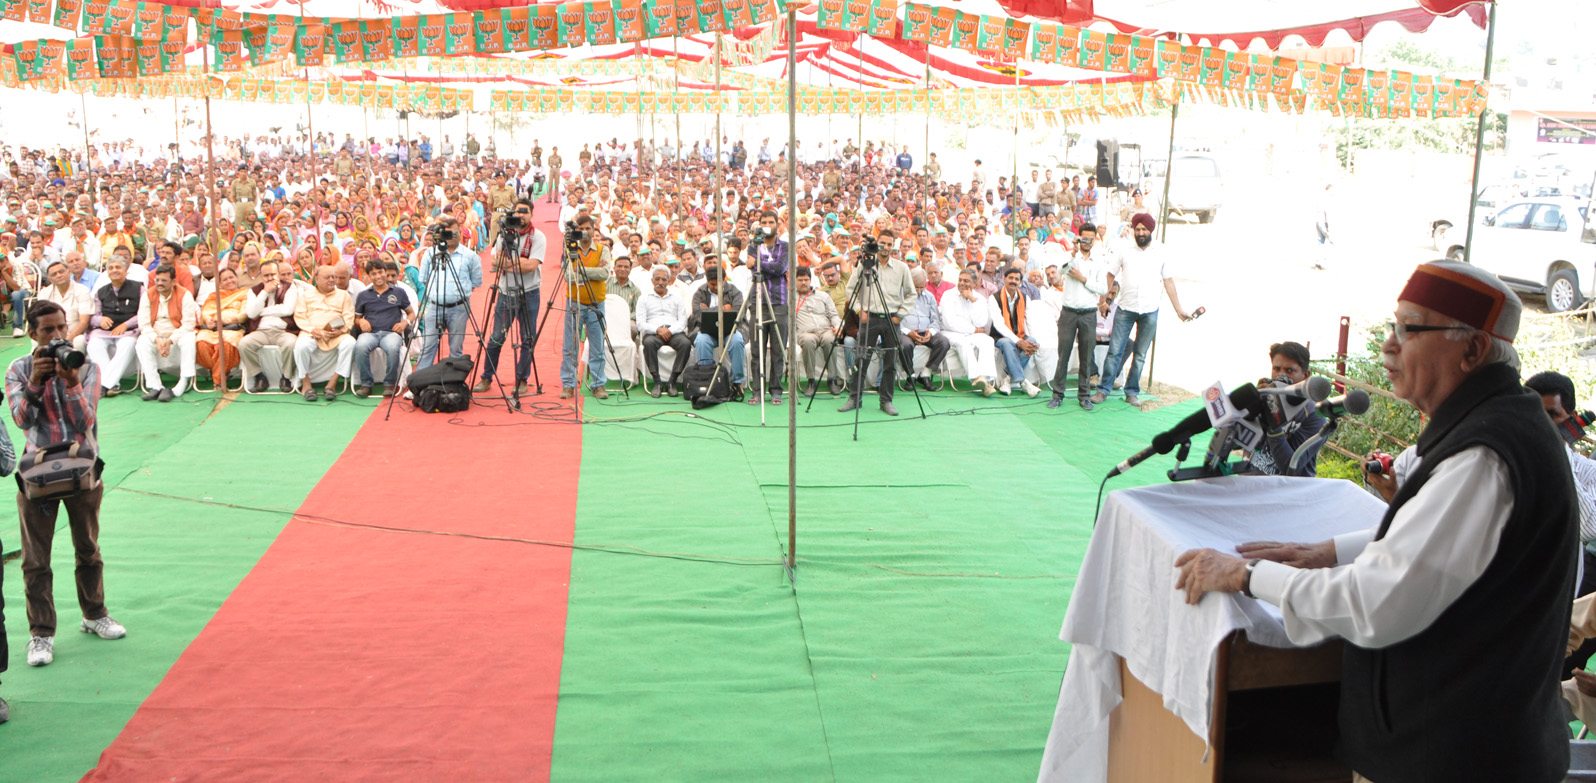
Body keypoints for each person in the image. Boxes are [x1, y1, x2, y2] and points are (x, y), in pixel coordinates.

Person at [1175, 260, 1574, 783]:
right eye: (1392, 327)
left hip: (1455, 757)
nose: (1389, 346)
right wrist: (1331, 551)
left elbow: (1372, 603)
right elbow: (1442, 540)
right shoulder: (1499, 424)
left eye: (1409, 330)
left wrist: (1246, 576)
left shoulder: (1485, 456)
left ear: (1473, 350)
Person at [6, 300, 125, 671]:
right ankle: (41, 633)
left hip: (82, 469)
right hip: (37, 472)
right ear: (32, 333)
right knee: (35, 559)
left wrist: (70, 382)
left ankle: (94, 614)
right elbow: (22, 420)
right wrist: (37, 382)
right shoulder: (18, 368)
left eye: (62, 328)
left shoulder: (85, 365)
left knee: (88, 547)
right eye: (48, 330)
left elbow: (86, 419)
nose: (58, 336)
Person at [1092, 213, 1194, 409]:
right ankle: (1103, 390)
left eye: (1144, 229)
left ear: (1150, 230)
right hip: (1125, 308)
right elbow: (1110, 275)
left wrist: (1179, 310)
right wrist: (1102, 302)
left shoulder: (1161, 251)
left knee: (1140, 354)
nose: (1140, 233)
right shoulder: (1123, 249)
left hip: (1150, 310)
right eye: (1137, 229)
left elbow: (1169, 281)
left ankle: (1131, 392)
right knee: (1115, 351)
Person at [475, 199, 543, 397]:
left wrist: (509, 263)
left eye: (525, 212)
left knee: (527, 338)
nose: (521, 215)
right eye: (518, 212)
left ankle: (522, 379)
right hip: (505, 292)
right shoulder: (503, 234)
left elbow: (532, 266)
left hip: (529, 293)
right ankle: (486, 377)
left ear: (531, 214)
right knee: (497, 337)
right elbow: (495, 261)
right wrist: (519, 261)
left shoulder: (538, 237)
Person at [840, 247, 914, 416]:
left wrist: (900, 315)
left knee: (890, 362)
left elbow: (911, 293)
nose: (885, 247)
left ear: (893, 245)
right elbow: (850, 289)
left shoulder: (902, 268)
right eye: (882, 243)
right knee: (861, 359)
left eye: (889, 244)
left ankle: (886, 401)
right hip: (869, 318)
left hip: (891, 319)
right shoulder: (865, 266)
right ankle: (854, 398)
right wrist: (859, 310)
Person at [1238, 341, 1329, 477]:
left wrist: (1273, 421)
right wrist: (1251, 408)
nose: (1281, 376)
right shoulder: (1265, 397)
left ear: (1305, 375)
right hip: (1250, 486)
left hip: (1286, 493)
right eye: (1277, 369)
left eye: (1289, 371)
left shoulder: (1314, 415)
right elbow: (1237, 440)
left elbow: (1290, 467)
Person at [1047, 223, 1108, 410]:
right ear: (1079, 237)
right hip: (1069, 312)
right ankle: (1058, 394)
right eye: (1084, 238)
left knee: (1086, 355)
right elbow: (1062, 270)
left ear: (1095, 239)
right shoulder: (1070, 256)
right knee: (1063, 354)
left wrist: (1083, 279)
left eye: (1090, 238)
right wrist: (1073, 252)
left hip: (1089, 313)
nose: (1086, 242)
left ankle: (1084, 396)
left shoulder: (1098, 261)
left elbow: (1103, 288)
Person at [415, 218, 482, 372]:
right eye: (448, 233)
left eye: (455, 232)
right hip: (434, 307)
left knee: (456, 348)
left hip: (459, 308)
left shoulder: (470, 256)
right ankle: (420, 383)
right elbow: (424, 279)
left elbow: (476, 282)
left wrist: (457, 293)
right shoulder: (430, 253)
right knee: (428, 346)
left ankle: (454, 384)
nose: (452, 236)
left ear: (460, 233)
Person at [134, 265, 198, 401]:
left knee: (189, 340)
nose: (159, 284)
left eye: (164, 280)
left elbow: (189, 324)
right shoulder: (148, 295)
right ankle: (155, 385)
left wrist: (170, 340)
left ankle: (182, 382)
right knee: (141, 342)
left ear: (174, 281)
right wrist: (157, 339)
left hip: (178, 333)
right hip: (156, 334)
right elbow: (144, 325)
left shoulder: (184, 294)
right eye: (157, 280)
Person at [292, 266, 356, 401]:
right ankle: (306, 382)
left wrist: (341, 331)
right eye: (328, 277)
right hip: (312, 332)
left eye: (333, 277)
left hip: (336, 334)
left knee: (350, 343)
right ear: (317, 279)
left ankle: (332, 383)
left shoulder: (343, 295)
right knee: (301, 346)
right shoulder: (306, 295)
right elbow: (300, 317)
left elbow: (349, 317)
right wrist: (311, 330)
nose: (332, 280)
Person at [352, 261, 413, 398]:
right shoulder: (363, 295)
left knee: (392, 348)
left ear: (385, 272)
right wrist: (361, 321)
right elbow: (355, 319)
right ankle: (366, 384)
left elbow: (411, 313)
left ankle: (389, 384)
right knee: (360, 346)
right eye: (373, 274)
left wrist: (405, 323)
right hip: (370, 334)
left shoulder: (398, 292)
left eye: (380, 272)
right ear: (369, 276)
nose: (378, 276)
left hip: (391, 333)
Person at [748, 210, 789, 404]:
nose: (767, 225)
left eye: (770, 222)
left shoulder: (786, 247)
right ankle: (757, 391)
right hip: (758, 302)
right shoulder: (753, 246)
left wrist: (758, 263)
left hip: (779, 302)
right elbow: (755, 266)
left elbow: (781, 268)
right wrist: (759, 264)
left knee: (777, 351)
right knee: (757, 350)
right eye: (763, 222)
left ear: (777, 224)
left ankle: (776, 391)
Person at [240, 260, 300, 393]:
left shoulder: (290, 287)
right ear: (261, 276)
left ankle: (286, 377)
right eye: (266, 275)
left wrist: (262, 310)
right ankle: (259, 376)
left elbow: (288, 310)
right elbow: (251, 313)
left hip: (283, 331)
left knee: (291, 344)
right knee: (244, 344)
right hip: (261, 331)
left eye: (272, 274)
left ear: (278, 274)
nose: (270, 278)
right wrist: (265, 292)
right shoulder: (255, 291)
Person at [86, 256, 141, 396]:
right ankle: (112, 384)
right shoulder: (101, 292)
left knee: (128, 345)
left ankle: (105, 385)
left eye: (118, 267)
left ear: (125, 270)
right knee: (93, 344)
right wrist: (101, 320)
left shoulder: (138, 288)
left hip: (128, 331)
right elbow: (93, 317)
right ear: (107, 272)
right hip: (104, 332)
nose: (114, 270)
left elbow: (144, 313)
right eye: (110, 268)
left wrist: (126, 324)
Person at [939, 269, 999, 397]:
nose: (961, 283)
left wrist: (973, 300)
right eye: (960, 280)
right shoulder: (948, 295)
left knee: (987, 340)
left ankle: (984, 378)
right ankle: (977, 379)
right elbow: (950, 322)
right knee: (963, 342)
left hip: (970, 334)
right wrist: (974, 330)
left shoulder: (979, 299)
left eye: (966, 281)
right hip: (950, 333)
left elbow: (981, 321)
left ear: (974, 283)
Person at [636, 266, 692, 397]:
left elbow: (683, 321)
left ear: (668, 281)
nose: (660, 282)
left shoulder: (677, 298)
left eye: (663, 279)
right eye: (657, 279)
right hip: (653, 332)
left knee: (686, 344)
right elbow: (640, 323)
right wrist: (657, 329)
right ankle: (657, 382)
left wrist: (669, 331)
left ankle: (672, 381)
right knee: (648, 344)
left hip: (674, 332)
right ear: (652, 281)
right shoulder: (643, 298)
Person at [690, 264, 747, 391]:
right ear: (707, 281)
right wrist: (723, 308)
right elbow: (697, 314)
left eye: (718, 284)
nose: (715, 287)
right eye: (712, 284)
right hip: (706, 331)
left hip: (731, 330)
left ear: (724, 280)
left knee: (737, 341)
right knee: (701, 341)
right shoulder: (700, 292)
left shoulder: (735, 292)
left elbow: (738, 313)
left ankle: (737, 382)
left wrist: (708, 310)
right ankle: (707, 380)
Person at [792, 266, 847, 396]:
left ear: (811, 280)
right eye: (800, 280)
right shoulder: (791, 298)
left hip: (825, 330)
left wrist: (838, 326)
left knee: (830, 340)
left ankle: (832, 380)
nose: (803, 283)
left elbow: (834, 315)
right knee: (808, 341)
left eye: (806, 279)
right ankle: (811, 381)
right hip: (806, 332)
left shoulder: (823, 296)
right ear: (794, 281)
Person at [988, 266, 1041, 397]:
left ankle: (1008, 379)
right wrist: (1018, 341)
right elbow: (999, 325)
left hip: (1020, 335)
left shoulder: (1025, 297)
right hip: (999, 336)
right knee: (1007, 343)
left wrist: (1033, 341)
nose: (1013, 281)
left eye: (1016, 279)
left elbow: (1030, 321)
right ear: (1004, 279)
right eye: (1010, 278)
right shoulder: (994, 298)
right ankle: (1024, 382)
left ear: (1020, 282)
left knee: (1032, 341)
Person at [195, 267, 249, 388]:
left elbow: (244, 314)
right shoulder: (214, 296)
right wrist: (208, 320)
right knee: (201, 344)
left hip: (232, 328)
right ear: (220, 283)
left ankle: (218, 380)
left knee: (224, 345)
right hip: (211, 328)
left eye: (231, 277)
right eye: (225, 279)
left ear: (236, 278)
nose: (229, 281)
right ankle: (220, 372)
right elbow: (206, 312)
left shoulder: (244, 293)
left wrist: (226, 321)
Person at [899, 268, 948, 391]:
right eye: (916, 288)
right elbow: (895, 320)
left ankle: (926, 373)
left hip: (925, 331)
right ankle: (911, 375)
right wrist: (909, 332)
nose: (920, 291)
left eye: (922, 287)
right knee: (904, 345)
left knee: (944, 342)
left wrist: (930, 332)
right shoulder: (899, 296)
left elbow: (936, 320)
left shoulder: (929, 296)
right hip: (906, 332)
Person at [36, 259, 92, 351]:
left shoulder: (82, 290)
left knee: (79, 342)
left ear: (69, 273)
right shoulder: (44, 293)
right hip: (51, 332)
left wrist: (66, 340)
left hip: (76, 333)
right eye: (54, 274)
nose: (58, 275)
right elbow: (40, 320)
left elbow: (84, 322)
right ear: (50, 279)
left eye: (61, 272)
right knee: (35, 342)